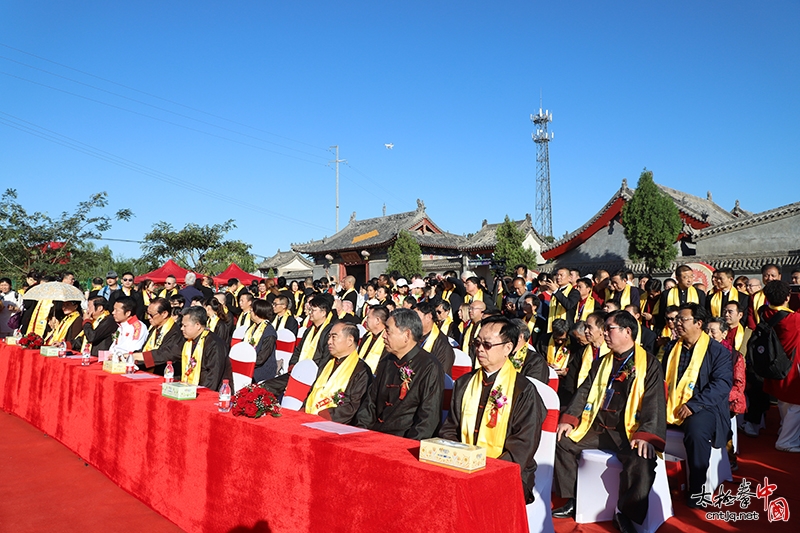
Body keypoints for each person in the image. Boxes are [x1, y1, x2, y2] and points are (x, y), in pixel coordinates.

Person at [553, 310, 666, 532]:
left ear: (627, 331)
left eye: (609, 329)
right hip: (596, 427)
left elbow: (655, 402)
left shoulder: (649, 364)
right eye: (604, 329)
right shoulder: (602, 362)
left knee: (642, 459)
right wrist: (570, 419)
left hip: (627, 431)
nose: (604, 334)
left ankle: (625, 513)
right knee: (561, 440)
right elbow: (584, 392)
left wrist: (646, 435)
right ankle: (574, 498)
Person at [439, 316, 545, 504]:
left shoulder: (523, 390)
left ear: (508, 348)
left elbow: (523, 445)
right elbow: (450, 428)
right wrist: (459, 460)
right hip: (463, 464)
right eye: (477, 343)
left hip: (508, 470)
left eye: (487, 344)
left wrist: (488, 472)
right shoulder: (464, 383)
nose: (479, 349)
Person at [663, 303, 732, 505]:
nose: (677, 323)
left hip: (704, 407)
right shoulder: (672, 347)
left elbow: (721, 384)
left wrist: (694, 405)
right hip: (671, 404)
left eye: (682, 320)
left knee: (696, 432)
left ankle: (697, 488)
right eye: (677, 320)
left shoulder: (717, 351)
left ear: (698, 323)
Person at [355, 308, 444, 439]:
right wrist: (360, 433)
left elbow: (428, 419)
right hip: (375, 434)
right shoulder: (387, 361)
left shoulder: (429, 367)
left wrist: (406, 447)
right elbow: (370, 403)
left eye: (388, 332)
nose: (383, 335)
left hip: (403, 439)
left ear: (407, 335)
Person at [302, 322, 373, 424]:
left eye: (334, 337)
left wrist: (324, 416)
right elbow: (313, 391)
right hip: (310, 417)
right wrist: (304, 409)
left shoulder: (361, 370)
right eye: (329, 337)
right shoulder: (327, 362)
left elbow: (353, 405)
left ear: (350, 340)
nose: (329, 342)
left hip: (332, 425)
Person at [760, 280, 800, 452]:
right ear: (787, 297)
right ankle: (786, 441)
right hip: (791, 364)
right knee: (796, 405)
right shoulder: (793, 319)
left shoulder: (764, 312)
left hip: (774, 362)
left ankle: (785, 430)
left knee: (784, 400)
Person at [179, 306, 232, 391]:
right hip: (190, 389)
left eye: (185, 326)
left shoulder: (213, 344)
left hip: (212, 393)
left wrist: (197, 393)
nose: (182, 329)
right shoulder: (188, 342)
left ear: (197, 325)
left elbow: (213, 376)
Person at [132, 298, 184, 374]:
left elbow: (163, 355)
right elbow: (145, 349)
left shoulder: (175, 332)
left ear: (164, 314)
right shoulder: (154, 328)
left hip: (165, 374)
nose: (149, 317)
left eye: (151, 315)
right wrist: (131, 356)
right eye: (147, 314)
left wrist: (136, 356)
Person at [289, 295, 337, 367]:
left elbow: (326, 358)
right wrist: (292, 365)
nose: (310, 313)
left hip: (316, 370)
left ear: (323, 313)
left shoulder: (329, 332)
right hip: (300, 368)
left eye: (313, 310)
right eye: (310, 310)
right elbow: (298, 350)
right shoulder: (309, 330)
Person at [414, 300, 455, 375]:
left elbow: (441, 375)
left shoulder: (443, 345)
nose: (412, 321)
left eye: (416, 317)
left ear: (428, 317)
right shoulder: (413, 337)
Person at [246, 299, 278, 382]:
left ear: (258, 313)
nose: (250, 313)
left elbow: (262, 357)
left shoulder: (269, 332)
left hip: (261, 370)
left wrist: (247, 364)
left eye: (252, 311)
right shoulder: (252, 328)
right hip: (250, 364)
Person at [509, 317, 548, 383]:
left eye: (506, 335)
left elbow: (533, 389)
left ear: (520, 337)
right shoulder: (503, 355)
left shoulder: (536, 361)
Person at [544, 267, 579, 333]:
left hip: (566, 329)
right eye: (557, 275)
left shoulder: (574, 292)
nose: (558, 277)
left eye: (561, 275)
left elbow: (568, 305)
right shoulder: (555, 293)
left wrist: (556, 291)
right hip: (553, 327)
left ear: (569, 278)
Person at [358, 305, 389, 374]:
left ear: (377, 320)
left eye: (368, 317)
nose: (365, 320)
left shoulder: (387, 340)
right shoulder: (367, 336)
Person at [462, 301, 486, 366]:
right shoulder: (468, 327)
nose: (470, 311)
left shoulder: (484, 327)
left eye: (473, 308)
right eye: (469, 308)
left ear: (482, 311)